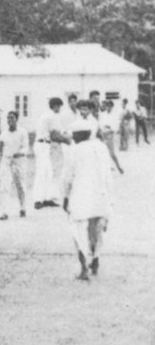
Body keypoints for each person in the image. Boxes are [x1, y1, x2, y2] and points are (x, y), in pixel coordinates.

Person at [62, 119, 113, 280]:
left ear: (77, 135)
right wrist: (109, 197)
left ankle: (84, 267)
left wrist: (65, 196)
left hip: (80, 196)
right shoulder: (101, 147)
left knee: (78, 230)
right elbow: (108, 174)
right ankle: (96, 258)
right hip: (100, 195)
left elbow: (67, 178)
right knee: (97, 229)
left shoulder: (74, 150)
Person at [0, 110, 30, 220]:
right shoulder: (5, 133)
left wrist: (20, 153)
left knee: (21, 186)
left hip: (19, 161)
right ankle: (4, 211)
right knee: (5, 186)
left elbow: (26, 147)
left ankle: (23, 207)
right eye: (8, 118)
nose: (10, 120)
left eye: (12, 118)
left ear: (16, 119)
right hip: (6, 161)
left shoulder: (23, 132)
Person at [31, 97, 64, 209]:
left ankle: (46, 198)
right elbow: (55, 134)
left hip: (45, 144)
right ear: (54, 106)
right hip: (42, 144)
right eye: (58, 106)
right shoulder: (50, 116)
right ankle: (37, 200)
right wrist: (68, 140)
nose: (59, 108)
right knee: (41, 172)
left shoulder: (49, 115)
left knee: (48, 172)